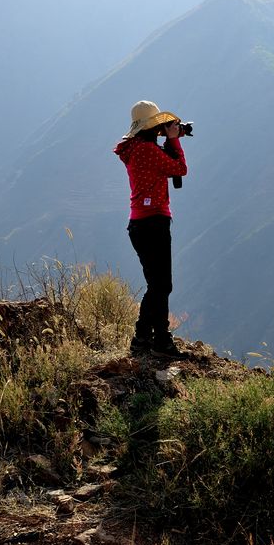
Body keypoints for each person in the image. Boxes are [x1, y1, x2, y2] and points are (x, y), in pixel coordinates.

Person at [114, 100, 188, 357]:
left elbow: (165, 167)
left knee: (157, 284)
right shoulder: (147, 150)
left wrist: (167, 139)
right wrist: (174, 140)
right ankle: (146, 338)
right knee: (161, 285)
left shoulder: (135, 148)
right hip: (153, 222)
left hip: (139, 223)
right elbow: (180, 168)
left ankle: (156, 340)